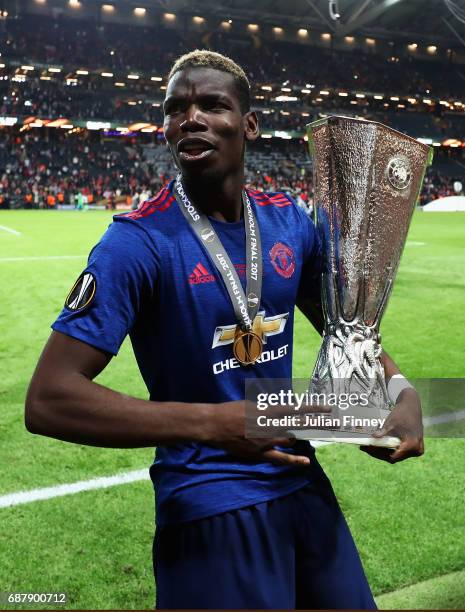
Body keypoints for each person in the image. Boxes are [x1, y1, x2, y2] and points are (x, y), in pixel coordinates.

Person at [25, 50, 424, 609]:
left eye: (212, 104)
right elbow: (48, 399)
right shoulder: (136, 244)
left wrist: (397, 386)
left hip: (302, 480)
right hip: (209, 497)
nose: (191, 118)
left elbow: (346, 327)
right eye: (176, 109)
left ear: (250, 124)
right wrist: (219, 423)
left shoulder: (289, 221)